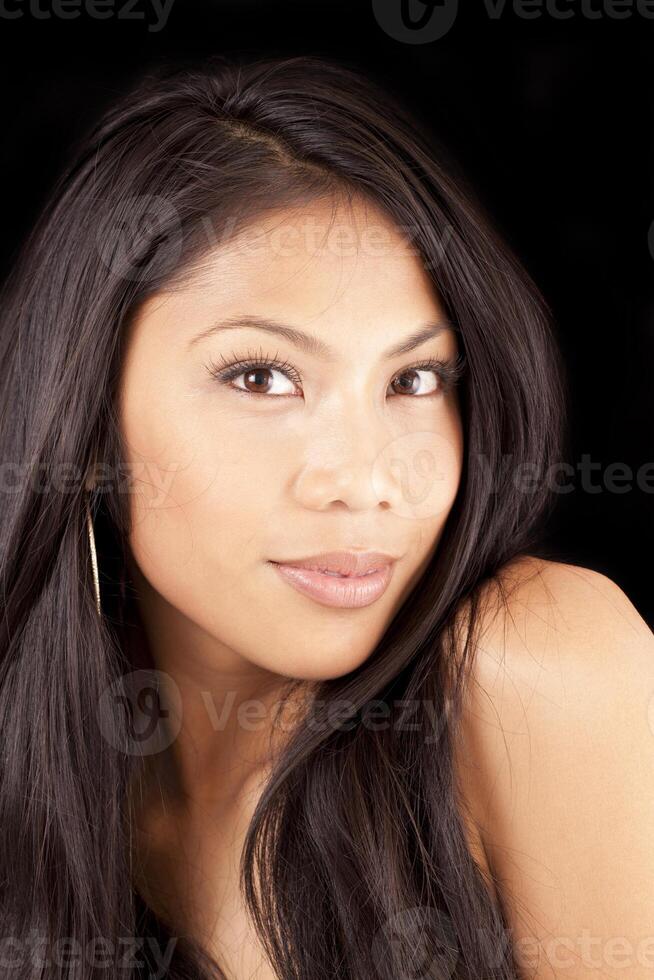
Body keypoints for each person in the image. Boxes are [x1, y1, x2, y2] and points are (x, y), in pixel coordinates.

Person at [0, 53, 652, 980]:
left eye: (414, 379)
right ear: (90, 421)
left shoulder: (531, 670)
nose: (366, 479)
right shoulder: (60, 781)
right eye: (262, 377)